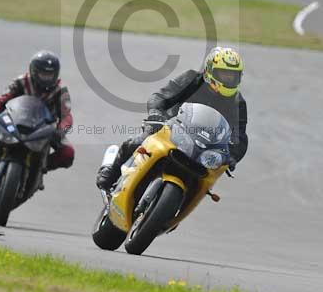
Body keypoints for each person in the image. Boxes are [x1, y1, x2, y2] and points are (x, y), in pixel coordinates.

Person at [96, 46, 248, 190]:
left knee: (207, 179)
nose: (228, 79)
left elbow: (240, 136)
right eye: (224, 74)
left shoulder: (237, 102)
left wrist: (232, 156)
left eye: (233, 75)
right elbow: (160, 96)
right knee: (138, 141)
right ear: (210, 71)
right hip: (170, 128)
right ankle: (110, 171)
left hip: (204, 146)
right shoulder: (192, 79)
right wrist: (156, 113)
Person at [0, 50, 75, 189]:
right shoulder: (21, 82)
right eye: (43, 74)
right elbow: (1, 99)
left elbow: (66, 115)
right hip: (14, 122)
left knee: (68, 153)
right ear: (34, 71)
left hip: (44, 129)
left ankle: (40, 169)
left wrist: (61, 130)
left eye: (50, 75)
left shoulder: (61, 91)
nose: (46, 78)